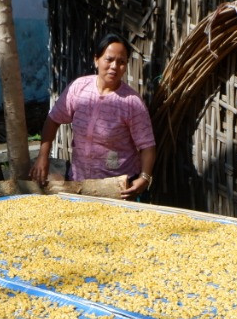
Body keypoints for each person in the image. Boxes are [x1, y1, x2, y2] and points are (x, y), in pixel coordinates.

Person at [30, 34, 156, 200]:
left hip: (118, 188)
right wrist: (42, 157)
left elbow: (148, 146)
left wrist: (144, 178)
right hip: (78, 183)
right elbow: (53, 120)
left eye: (121, 62)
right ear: (96, 60)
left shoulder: (131, 103)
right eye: (109, 59)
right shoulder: (79, 88)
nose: (114, 67)